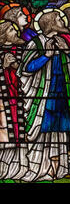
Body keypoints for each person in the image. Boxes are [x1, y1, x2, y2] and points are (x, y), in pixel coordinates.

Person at [18, 9, 70, 181]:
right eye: (59, 19)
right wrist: (46, 56)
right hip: (43, 97)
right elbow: (26, 69)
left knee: (61, 133)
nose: (63, 21)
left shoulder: (62, 41)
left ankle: (59, 169)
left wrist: (68, 52)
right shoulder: (35, 43)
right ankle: (40, 168)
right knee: (43, 131)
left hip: (63, 94)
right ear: (50, 23)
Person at [0, 20, 28, 180]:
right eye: (11, 29)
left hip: (20, 98)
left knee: (20, 132)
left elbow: (29, 72)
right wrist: (3, 66)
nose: (15, 31)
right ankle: (5, 169)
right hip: (4, 102)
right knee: (6, 133)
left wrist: (18, 67)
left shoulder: (21, 51)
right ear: (3, 35)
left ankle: (21, 167)